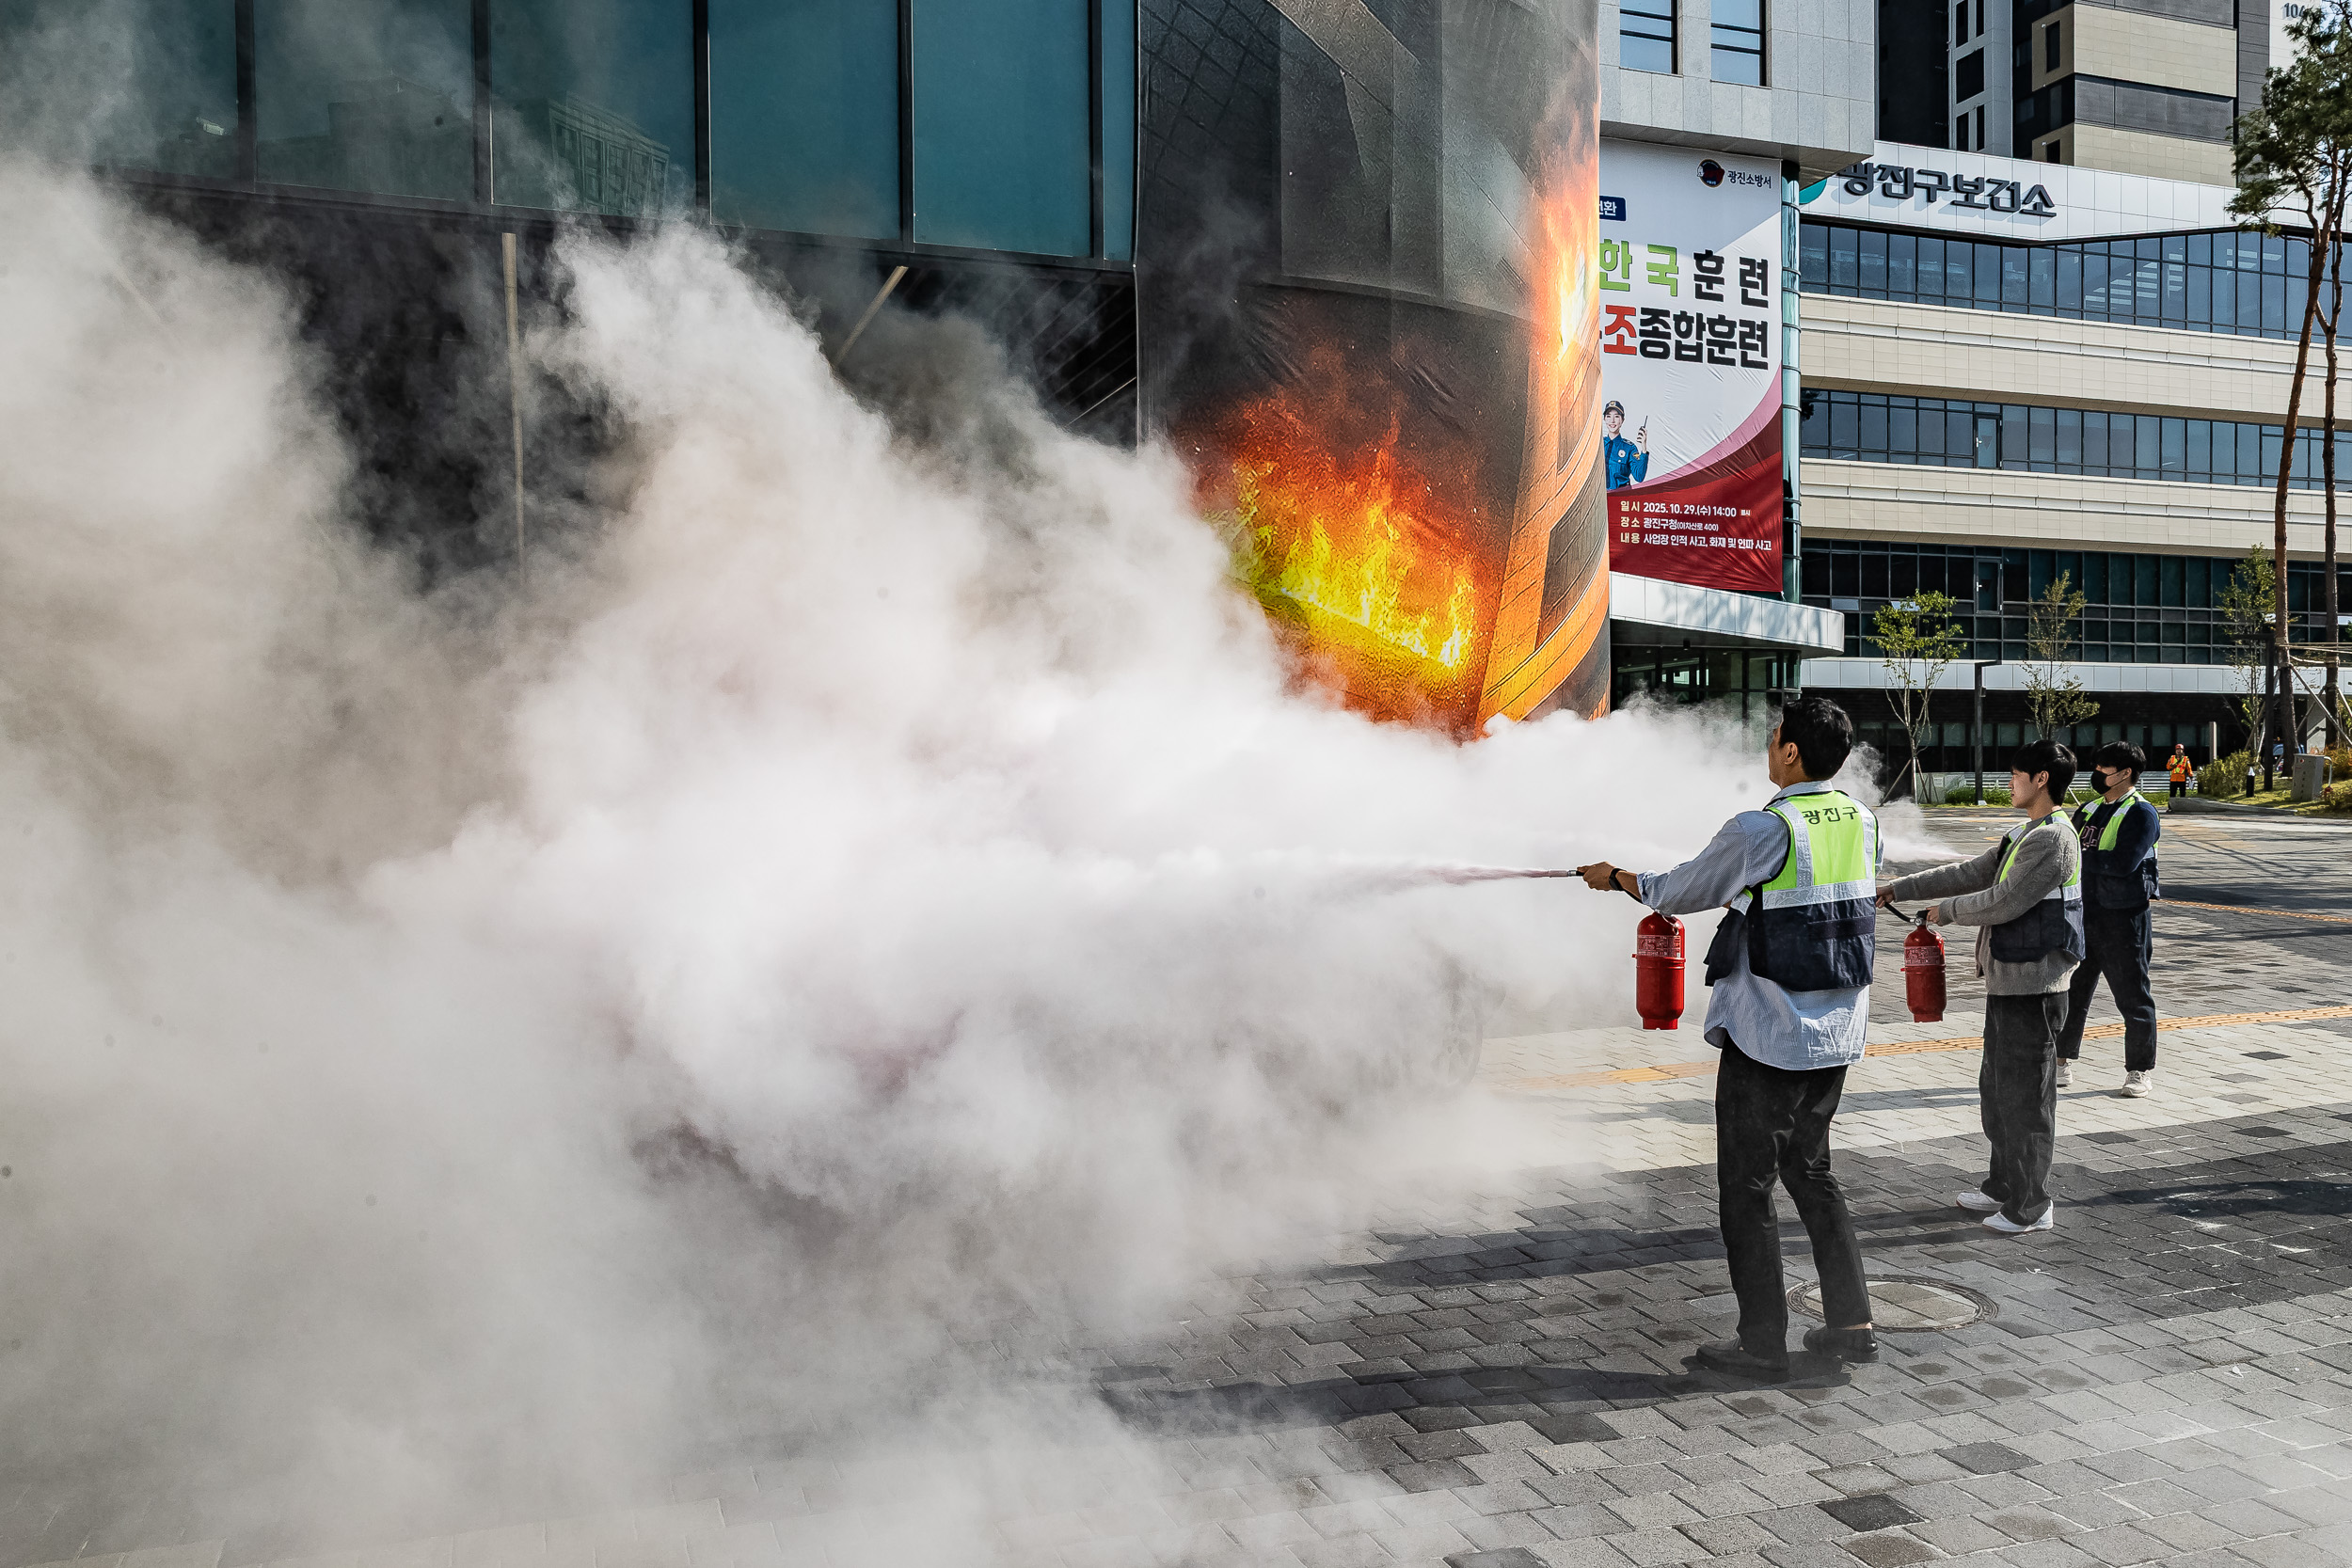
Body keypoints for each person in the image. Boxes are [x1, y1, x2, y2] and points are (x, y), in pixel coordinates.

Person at [1578, 695, 1878, 1380]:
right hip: (1836, 1030)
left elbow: (1682, 889)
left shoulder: (1763, 827)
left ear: (1792, 750)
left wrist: (1620, 877)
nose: (1767, 746)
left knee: (1746, 1187)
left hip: (1771, 1033)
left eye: (1774, 737)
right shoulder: (1862, 820)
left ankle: (1762, 1342)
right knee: (1813, 1173)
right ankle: (1852, 1323)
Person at [1879, 739, 2083, 1236]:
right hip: (2010, 981)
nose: (2008, 781)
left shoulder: (2053, 839)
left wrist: (1944, 912)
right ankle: (2003, 1184)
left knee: (2026, 1099)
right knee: (1997, 1090)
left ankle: (2032, 1205)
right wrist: (1899, 888)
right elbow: (1971, 872)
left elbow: (2004, 901)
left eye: (2015, 774)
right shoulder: (2024, 833)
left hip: (2035, 986)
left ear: (2041, 780)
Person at [2059, 743, 2161, 1098]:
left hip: (2124, 920)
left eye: (2105, 768)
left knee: (2133, 997)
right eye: (2098, 766)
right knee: (2071, 991)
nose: (2098, 773)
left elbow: (2123, 863)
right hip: (2084, 916)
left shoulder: (2141, 813)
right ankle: (2060, 1060)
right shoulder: (2086, 810)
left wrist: (2082, 858)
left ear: (2125, 773)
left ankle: (2139, 1071)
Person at [1601, 400, 1649, 490]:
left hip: (1620, 499)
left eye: (1616, 416)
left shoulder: (1629, 448)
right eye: (1608, 416)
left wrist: (1643, 448)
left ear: (1622, 420)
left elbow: (1639, 477)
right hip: (1600, 500)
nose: (1612, 420)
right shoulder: (1598, 445)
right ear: (1604, 419)